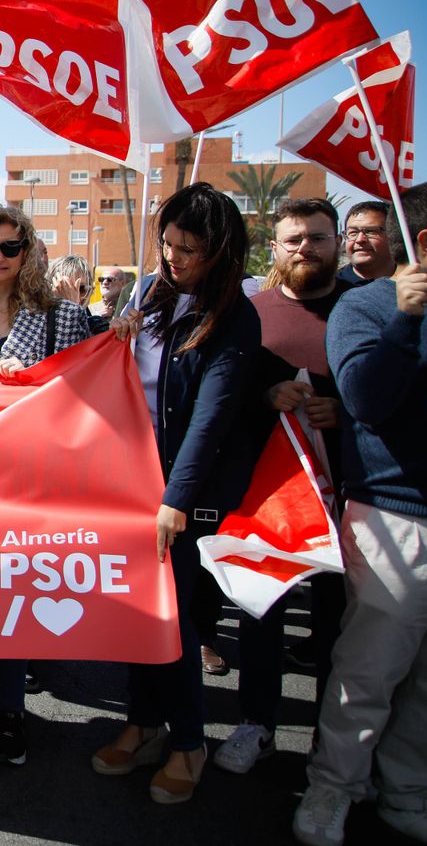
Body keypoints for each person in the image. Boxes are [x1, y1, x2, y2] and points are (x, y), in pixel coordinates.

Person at [93, 182, 261, 805]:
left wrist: (177, 499)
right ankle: (142, 724)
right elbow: (125, 382)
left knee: (178, 622)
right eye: (166, 244)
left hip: (186, 495)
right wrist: (117, 334)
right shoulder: (150, 294)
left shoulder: (235, 316)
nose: (173, 258)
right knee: (139, 614)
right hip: (133, 482)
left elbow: (211, 418)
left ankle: (190, 741)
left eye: (188, 248)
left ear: (219, 250)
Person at [293, 182, 427, 846]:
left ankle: (407, 791)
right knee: (369, 672)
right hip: (396, 518)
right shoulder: (369, 308)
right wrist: (407, 321)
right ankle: (332, 788)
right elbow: (365, 398)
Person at [0, 205, 91, 764]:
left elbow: (85, 391)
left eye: (10, 247)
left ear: (27, 252)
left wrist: (32, 387)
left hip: (33, 476)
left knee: (15, 592)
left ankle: (11, 710)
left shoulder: (63, 317)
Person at [217, 198, 349, 778]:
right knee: (260, 609)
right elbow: (224, 395)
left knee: (338, 622)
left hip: (348, 494)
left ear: (337, 243)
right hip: (267, 498)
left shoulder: (361, 308)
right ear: (274, 248)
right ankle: (257, 723)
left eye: (317, 238)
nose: (305, 249)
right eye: (293, 239)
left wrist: (345, 411)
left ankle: (335, 744)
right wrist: (266, 397)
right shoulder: (250, 312)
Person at [337, 200, 394, 285]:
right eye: (353, 233)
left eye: (371, 231)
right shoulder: (328, 290)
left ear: (393, 235)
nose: (360, 239)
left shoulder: (414, 285)